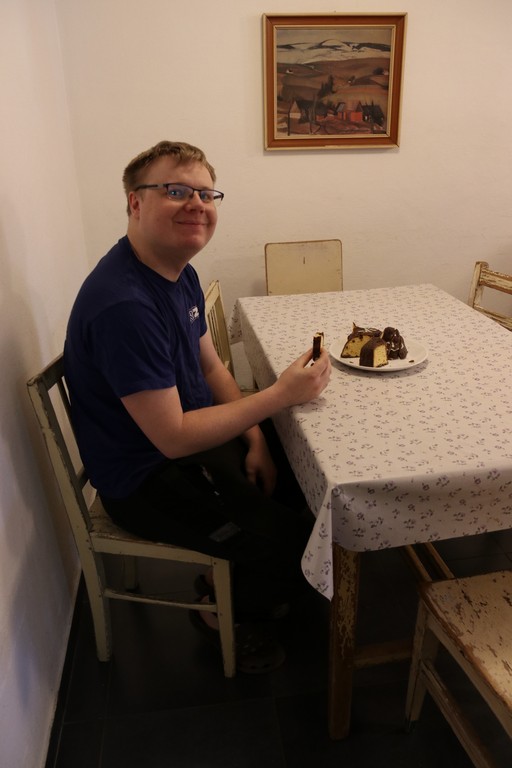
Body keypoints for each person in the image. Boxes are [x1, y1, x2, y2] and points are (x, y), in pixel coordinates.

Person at [64, 140, 331, 673]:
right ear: (135, 203)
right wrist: (279, 395)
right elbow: (173, 438)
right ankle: (217, 610)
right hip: (143, 477)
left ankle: (244, 570)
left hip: (190, 441)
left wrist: (255, 438)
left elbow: (211, 370)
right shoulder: (124, 305)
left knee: (308, 469)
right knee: (295, 543)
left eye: (206, 194)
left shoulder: (176, 269)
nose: (196, 204)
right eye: (176, 191)